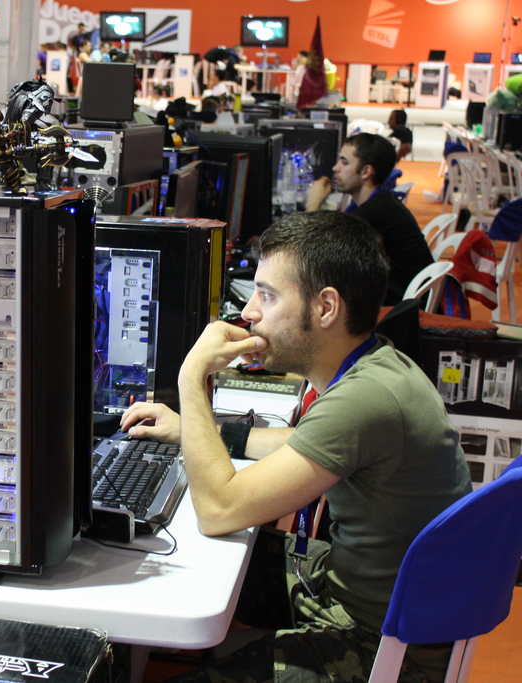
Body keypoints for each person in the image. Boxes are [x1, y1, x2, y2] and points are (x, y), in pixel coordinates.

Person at [121, 210, 472, 683]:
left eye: (267, 295)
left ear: (325, 307)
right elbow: (304, 443)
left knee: (194, 554)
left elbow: (219, 509)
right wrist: (193, 430)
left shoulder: (364, 401)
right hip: (369, 595)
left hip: (383, 648)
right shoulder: (379, 366)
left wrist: (191, 376)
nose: (248, 312)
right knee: (163, 558)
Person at [305, 133, 433, 305]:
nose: (336, 168)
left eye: (344, 162)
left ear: (366, 172)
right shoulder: (379, 203)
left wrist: (313, 202)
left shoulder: (374, 212)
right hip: (401, 299)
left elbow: (313, 251)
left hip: (401, 311)